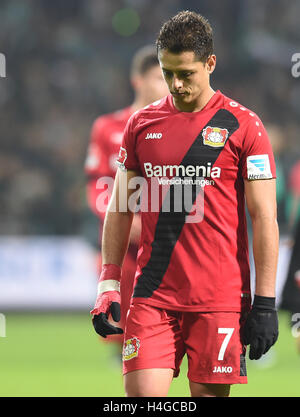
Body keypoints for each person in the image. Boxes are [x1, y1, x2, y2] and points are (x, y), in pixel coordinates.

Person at [91, 11, 279, 397]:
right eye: (168, 72)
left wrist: (264, 302)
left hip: (219, 299)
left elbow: (264, 217)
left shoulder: (244, 125)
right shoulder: (141, 124)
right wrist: (109, 282)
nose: (175, 84)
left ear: (210, 63)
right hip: (152, 294)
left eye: (186, 74)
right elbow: (121, 206)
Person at [85, 45, 169, 352]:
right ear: (138, 80)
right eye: (159, 78)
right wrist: (120, 219)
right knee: (119, 322)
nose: (167, 85)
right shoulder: (107, 127)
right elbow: (96, 185)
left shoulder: (174, 127)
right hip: (123, 242)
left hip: (163, 237)